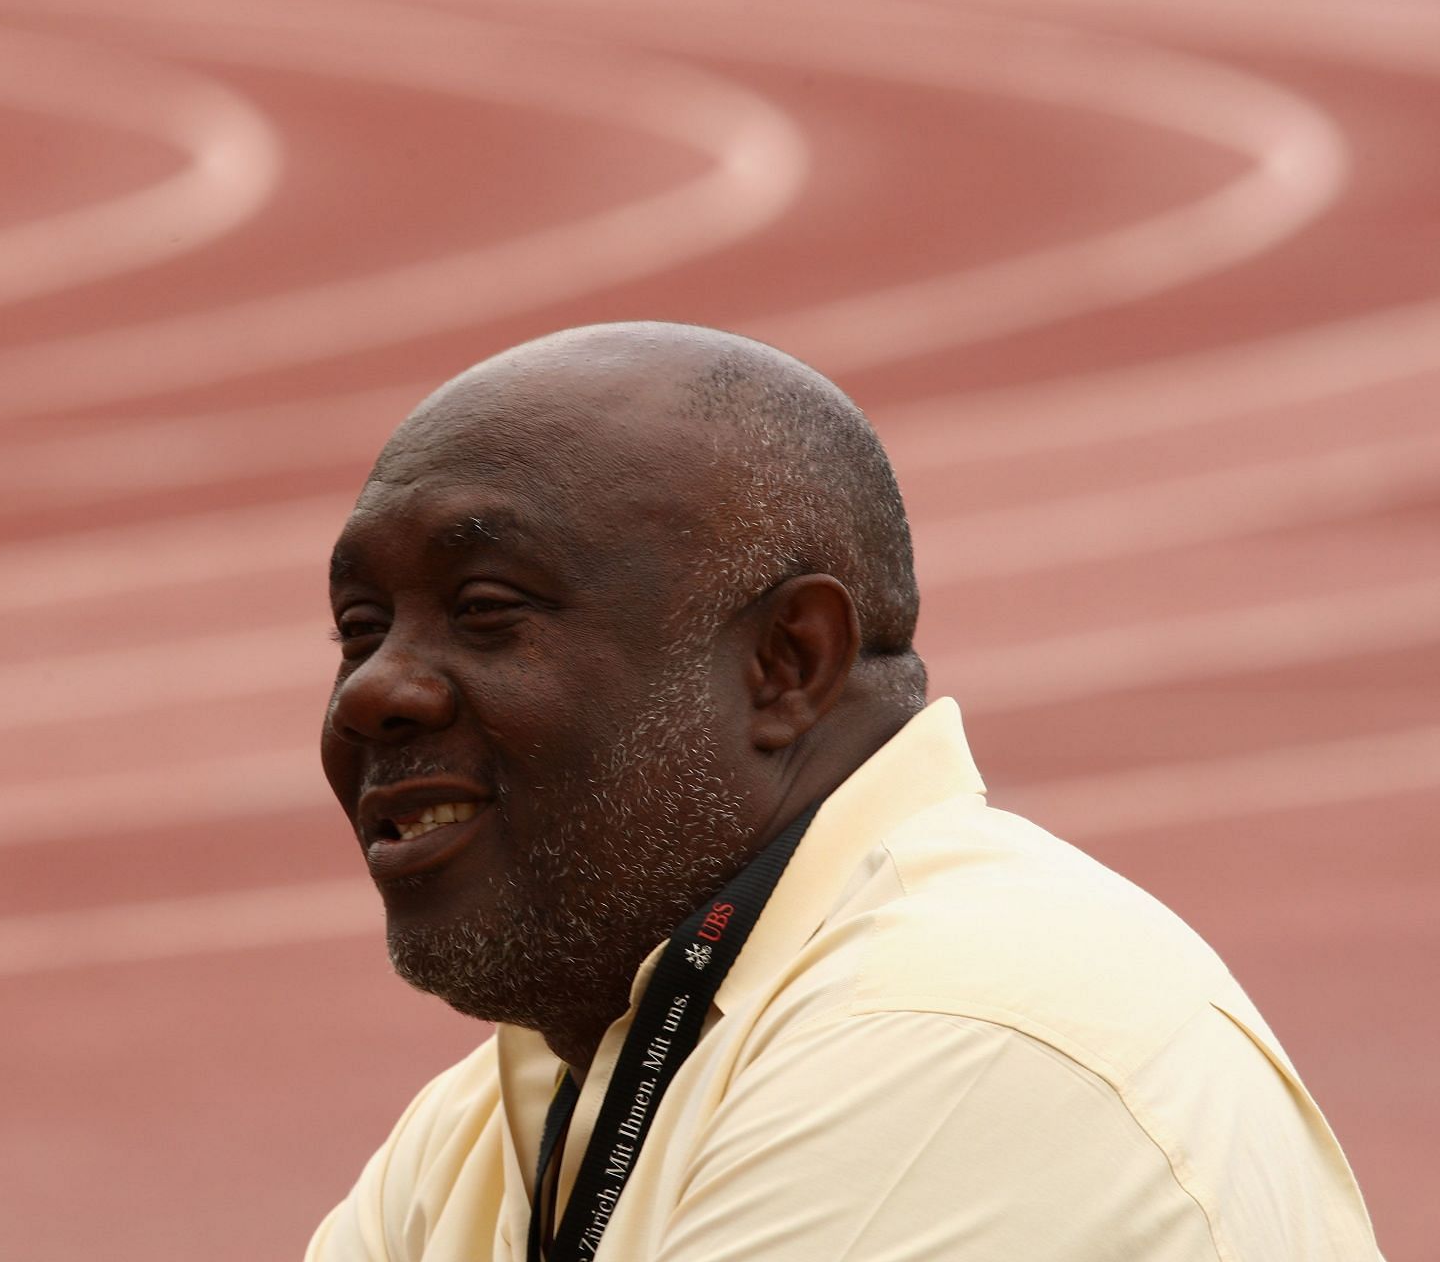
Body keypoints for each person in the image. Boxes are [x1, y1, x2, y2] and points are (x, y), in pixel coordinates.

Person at [309, 322, 1380, 1261]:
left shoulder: (956, 1031)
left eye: (487, 606)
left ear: (787, 662)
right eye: (358, 628)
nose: (374, 690)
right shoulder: (503, 1114)